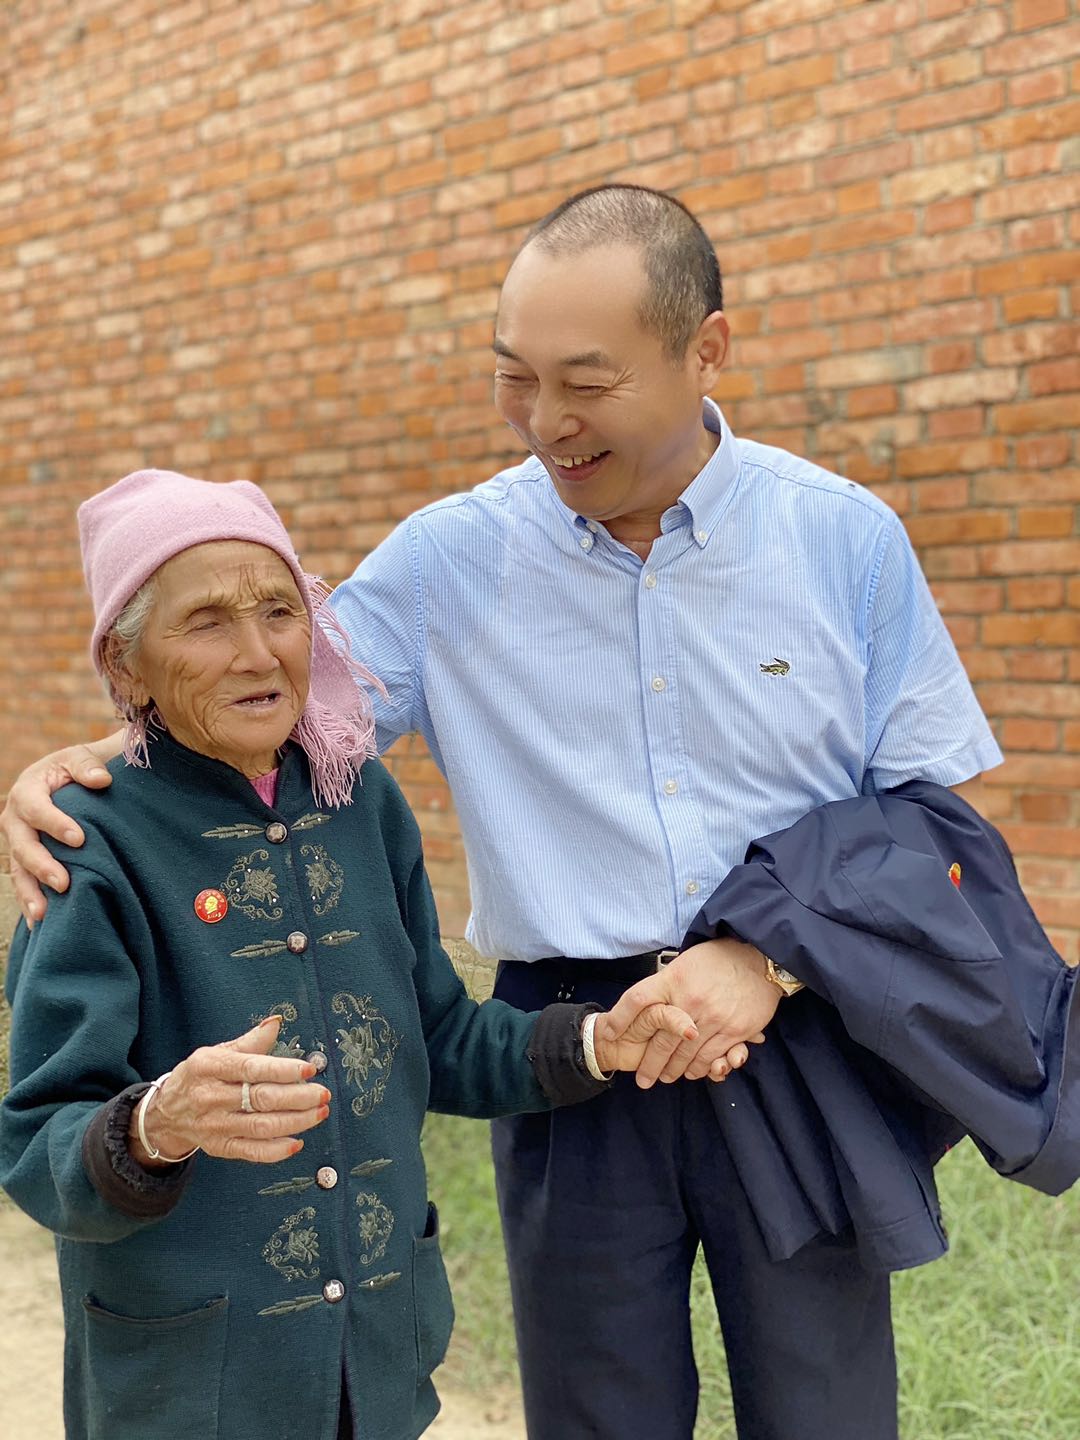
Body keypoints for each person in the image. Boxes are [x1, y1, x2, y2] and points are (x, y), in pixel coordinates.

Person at [2, 186, 1004, 1440]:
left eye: (585, 381)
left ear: (707, 351)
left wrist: (763, 957)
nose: (545, 420)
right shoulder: (446, 559)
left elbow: (928, 816)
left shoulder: (845, 538)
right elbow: (263, 694)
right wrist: (75, 770)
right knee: (595, 1414)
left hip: (789, 1026)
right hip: (563, 1054)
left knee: (828, 1411)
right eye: (513, 377)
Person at [0, 467, 703, 1440]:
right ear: (127, 666)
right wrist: (158, 1122)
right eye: (206, 622)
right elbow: (40, 1142)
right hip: (194, 1384)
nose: (258, 652)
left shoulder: (358, 797)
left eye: (280, 610)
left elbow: (437, 1039)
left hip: (373, 1357)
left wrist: (596, 1040)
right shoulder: (90, 840)